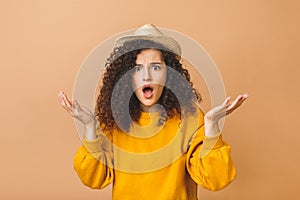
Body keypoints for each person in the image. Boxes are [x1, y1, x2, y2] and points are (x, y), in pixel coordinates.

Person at [58, 24, 248, 200]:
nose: (147, 75)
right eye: (137, 68)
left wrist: (212, 126)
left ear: (169, 74)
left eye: (156, 67)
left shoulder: (189, 117)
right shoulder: (115, 121)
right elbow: (93, 179)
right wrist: (90, 126)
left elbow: (215, 179)